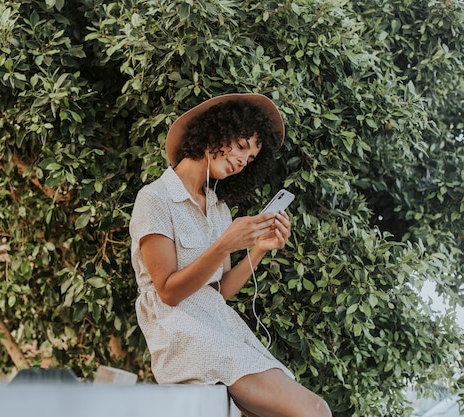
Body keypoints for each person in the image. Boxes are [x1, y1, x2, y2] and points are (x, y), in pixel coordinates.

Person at [129, 93, 332, 417]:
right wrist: (224, 244)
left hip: (222, 329)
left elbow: (219, 291)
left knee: (313, 410)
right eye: (240, 146)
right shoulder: (155, 198)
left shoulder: (219, 208)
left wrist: (258, 249)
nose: (242, 161)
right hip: (185, 336)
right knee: (313, 410)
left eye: (251, 158)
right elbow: (167, 291)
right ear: (214, 131)